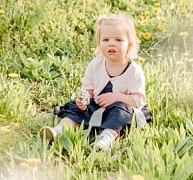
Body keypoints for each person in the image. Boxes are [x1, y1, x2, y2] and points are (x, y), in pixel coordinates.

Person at [40, 13, 150, 151]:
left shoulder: (134, 70)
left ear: (129, 44)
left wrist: (116, 97)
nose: (111, 43)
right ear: (99, 43)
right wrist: (84, 100)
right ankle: (59, 130)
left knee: (120, 113)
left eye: (118, 40)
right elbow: (88, 88)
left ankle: (106, 138)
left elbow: (138, 101)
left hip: (122, 107)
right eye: (105, 40)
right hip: (97, 104)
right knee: (76, 107)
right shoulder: (95, 64)